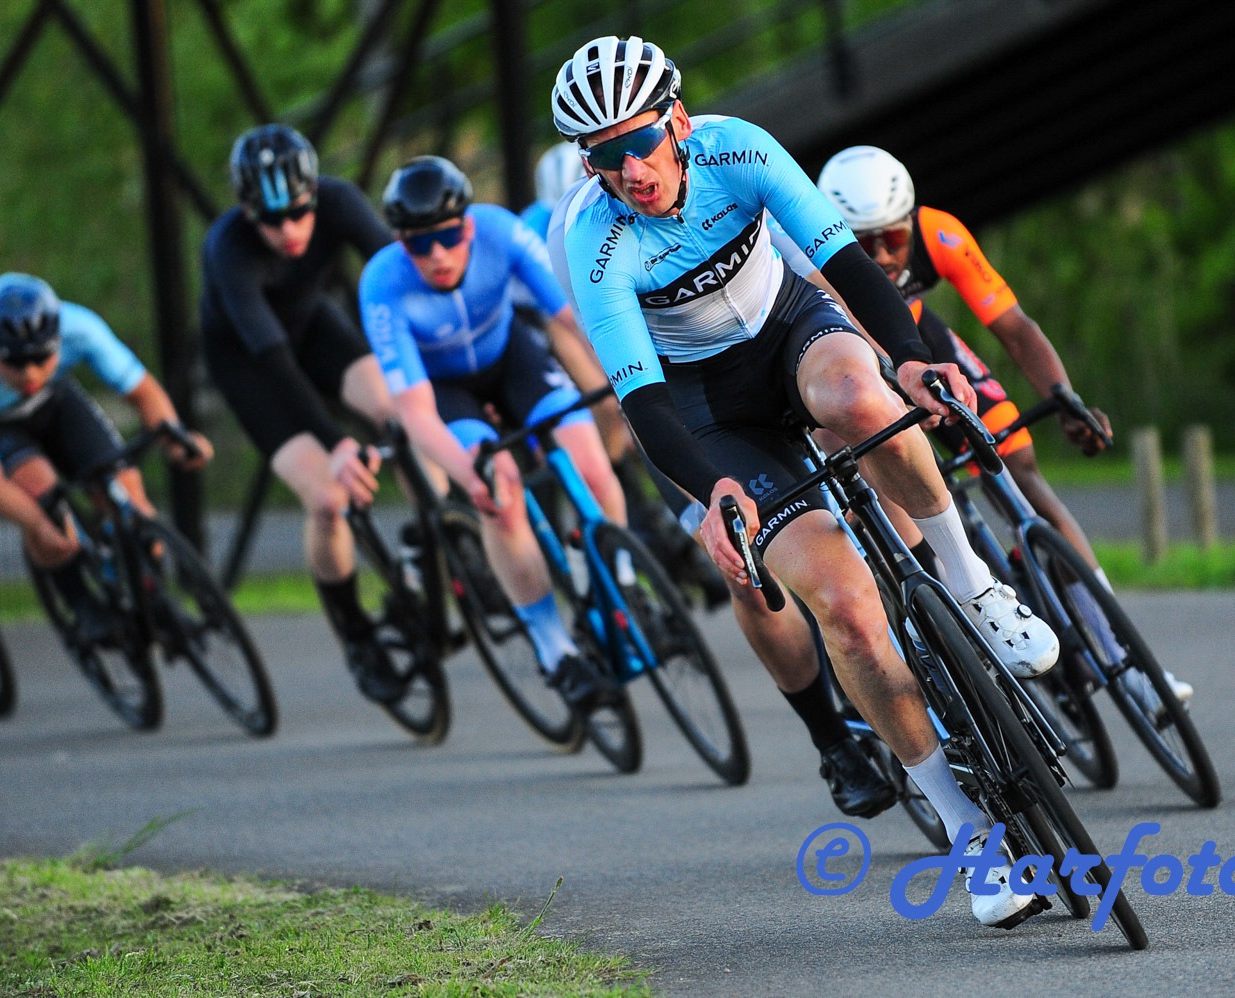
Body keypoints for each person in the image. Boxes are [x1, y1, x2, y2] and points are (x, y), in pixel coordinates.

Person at [551, 35, 1060, 928]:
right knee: (848, 613)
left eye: (640, 142)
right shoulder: (593, 242)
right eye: (603, 156)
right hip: (706, 408)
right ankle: (967, 830)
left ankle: (971, 582)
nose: (629, 170)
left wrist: (910, 358)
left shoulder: (738, 148)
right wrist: (714, 491)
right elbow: (645, 405)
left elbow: (850, 264)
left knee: (861, 400)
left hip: (791, 328)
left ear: (677, 121)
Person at [545, 171, 900, 819]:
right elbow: (604, 361)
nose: (632, 178)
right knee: (749, 574)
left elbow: (817, 276)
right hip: (686, 405)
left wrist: (884, 365)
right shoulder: (579, 239)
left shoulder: (721, 175)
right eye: (609, 169)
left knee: (866, 424)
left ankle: (934, 592)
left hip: (772, 353)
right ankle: (832, 741)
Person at [816, 145, 1193, 707]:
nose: (883, 256)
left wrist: (1064, 399)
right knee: (904, 493)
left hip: (924, 347)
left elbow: (1014, 326)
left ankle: (1128, 663)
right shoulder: (816, 257)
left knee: (1021, 471)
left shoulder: (939, 233)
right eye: (864, 245)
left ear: (911, 222)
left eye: (893, 238)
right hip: (866, 369)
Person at [359, 154, 626, 713]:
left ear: (469, 225)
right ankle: (555, 651)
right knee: (500, 494)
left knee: (590, 464)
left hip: (512, 361)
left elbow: (571, 315)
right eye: (419, 244)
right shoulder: (382, 284)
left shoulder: (500, 231)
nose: (437, 254)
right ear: (401, 244)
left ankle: (620, 583)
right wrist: (469, 475)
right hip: (447, 390)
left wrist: (629, 372)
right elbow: (416, 413)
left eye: (448, 236)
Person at [199, 123, 402, 704]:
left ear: (314, 193)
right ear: (246, 212)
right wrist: (335, 443)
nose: (289, 230)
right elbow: (273, 361)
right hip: (252, 365)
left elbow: (393, 271)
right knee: (329, 501)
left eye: (298, 212)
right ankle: (357, 636)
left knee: (399, 418)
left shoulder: (338, 200)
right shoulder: (227, 249)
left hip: (312, 326)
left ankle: (428, 551)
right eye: (272, 220)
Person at [0, 274, 212, 641]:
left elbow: (143, 393)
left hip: (56, 401)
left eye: (41, 357)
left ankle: (157, 601)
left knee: (128, 494)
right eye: (15, 361)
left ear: (58, 341)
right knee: (42, 500)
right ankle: (82, 605)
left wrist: (175, 439)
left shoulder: (81, 328)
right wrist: (37, 523)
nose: (30, 373)